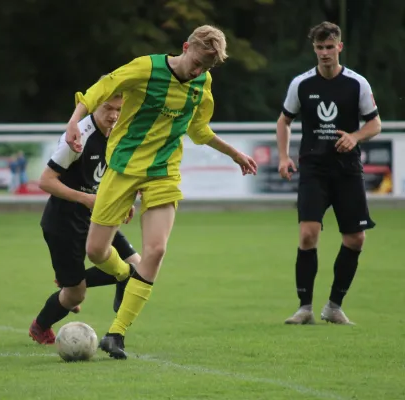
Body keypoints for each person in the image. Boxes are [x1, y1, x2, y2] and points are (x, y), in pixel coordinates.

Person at [65, 25, 258, 359]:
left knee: (155, 250)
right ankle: (125, 274)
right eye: (197, 62)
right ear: (186, 47)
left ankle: (117, 334)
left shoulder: (203, 83)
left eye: (207, 68)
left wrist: (234, 153)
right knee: (96, 252)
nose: (199, 71)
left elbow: (199, 130)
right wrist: (74, 121)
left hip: (163, 172)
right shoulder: (145, 68)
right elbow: (101, 89)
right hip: (123, 167)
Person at [276, 21, 381, 325]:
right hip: (314, 169)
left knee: (355, 239)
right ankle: (304, 308)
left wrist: (355, 137)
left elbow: (375, 124)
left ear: (339, 47)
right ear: (314, 49)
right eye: (319, 47)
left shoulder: (357, 84)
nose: (324, 53)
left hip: (347, 171)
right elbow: (284, 120)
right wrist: (284, 157)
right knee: (308, 235)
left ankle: (333, 306)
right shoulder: (302, 84)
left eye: (329, 46)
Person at [29, 92, 141, 345]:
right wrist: (85, 198)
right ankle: (41, 325)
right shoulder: (79, 135)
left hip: (98, 216)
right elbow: (45, 181)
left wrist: (125, 202)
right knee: (75, 296)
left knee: (138, 267)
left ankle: (71, 279)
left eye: (118, 109)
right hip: (63, 223)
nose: (113, 115)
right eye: (107, 108)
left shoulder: (118, 132)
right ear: (93, 106)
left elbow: (113, 175)